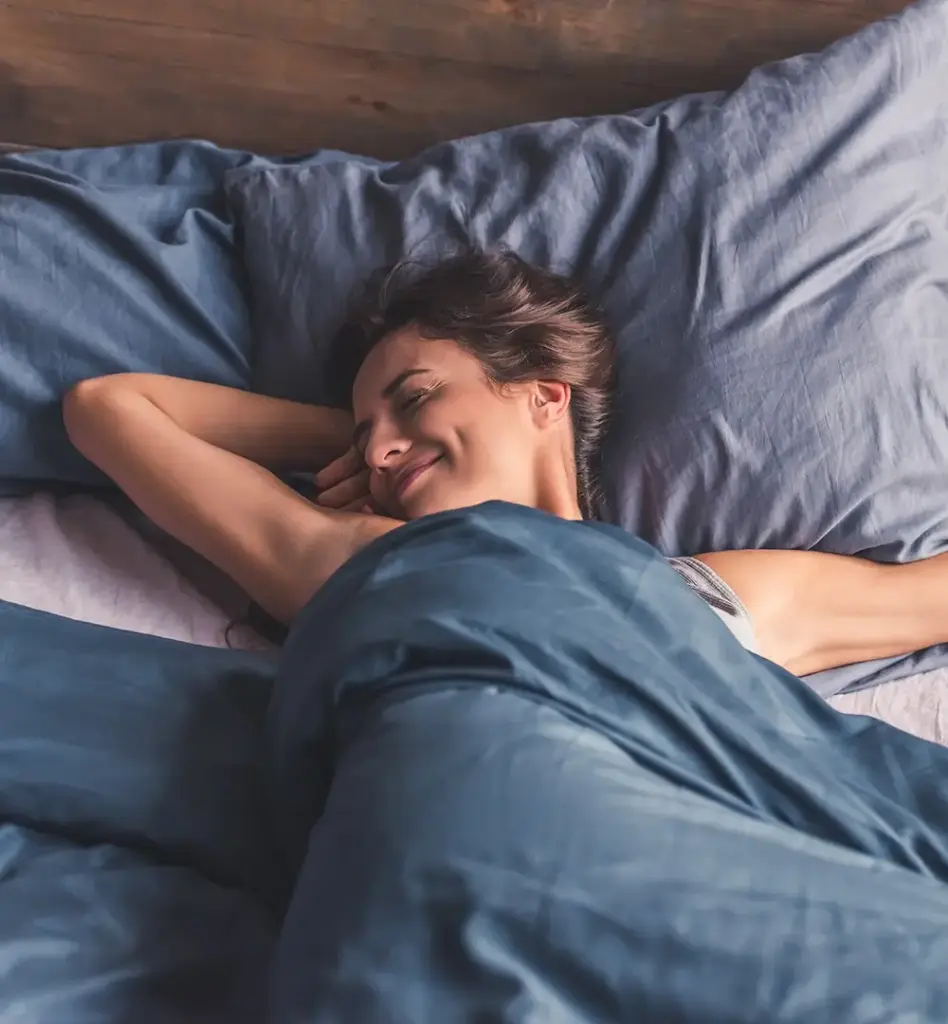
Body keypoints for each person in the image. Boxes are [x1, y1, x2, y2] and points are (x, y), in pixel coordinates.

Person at [63, 248, 948, 679]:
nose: (380, 448)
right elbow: (108, 409)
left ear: (543, 396)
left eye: (414, 396)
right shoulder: (360, 560)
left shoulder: (711, 600)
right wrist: (345, 438)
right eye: (367, 432)